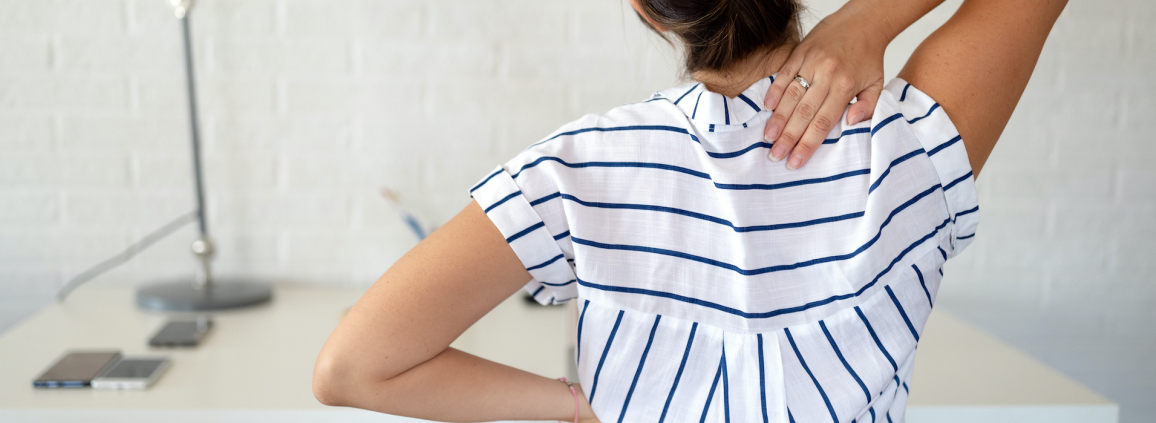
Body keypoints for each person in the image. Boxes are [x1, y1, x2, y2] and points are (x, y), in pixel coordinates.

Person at [313, 0, 1066, 422]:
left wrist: (578, 408)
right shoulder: (905, 144)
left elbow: (353, 366)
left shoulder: (577, 170)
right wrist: (871, 19)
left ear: (648, 11)